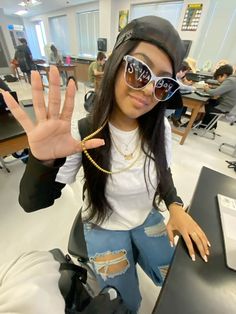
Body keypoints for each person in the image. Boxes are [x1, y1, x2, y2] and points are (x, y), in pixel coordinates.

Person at [3, 16, 210, 313]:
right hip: (104, 225)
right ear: (115, 63)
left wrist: (175, 205)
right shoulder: (83, 133)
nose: (149, 90)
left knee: (175, 278)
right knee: (127, 304)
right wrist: (43, 161)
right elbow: (32, 203)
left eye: (163, 83)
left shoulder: (159, 127)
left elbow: (162, 171)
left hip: (146, 218)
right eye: (139, 70)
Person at [202, 64, 236, 129]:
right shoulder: (233, 79)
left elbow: (214, 93)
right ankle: (208, 125)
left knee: (203, 104)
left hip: (224, 107)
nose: (217, 80)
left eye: (218, 77)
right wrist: (212, 87)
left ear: (224, 75)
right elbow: (224, 88)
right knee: (210, 101)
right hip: (229, 106)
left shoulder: (230, 80)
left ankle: (206, 125)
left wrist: (207, 89)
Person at [169, 61, 196, 126]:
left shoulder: (175, 76)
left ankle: (176, 117)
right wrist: (193, 88)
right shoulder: (173, 77)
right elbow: (181, 86)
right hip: (167, 102)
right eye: (185, 73)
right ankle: (176, 117)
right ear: (181, 71)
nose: (184, 75)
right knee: (180, 102)